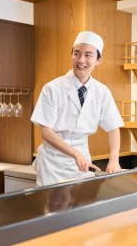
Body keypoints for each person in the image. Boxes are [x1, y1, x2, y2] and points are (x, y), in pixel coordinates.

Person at [31, 31, 123, 187]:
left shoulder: (102, 91)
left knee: (81, 207)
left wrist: (114, 160)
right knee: (53, 208)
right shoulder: (52, 88)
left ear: (98, 60)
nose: (81, 60)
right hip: (53, 163)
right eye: (77, 54)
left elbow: (113, 127)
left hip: (82, 161)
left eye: (88, 55)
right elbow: (46, 132)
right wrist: (75, 154)